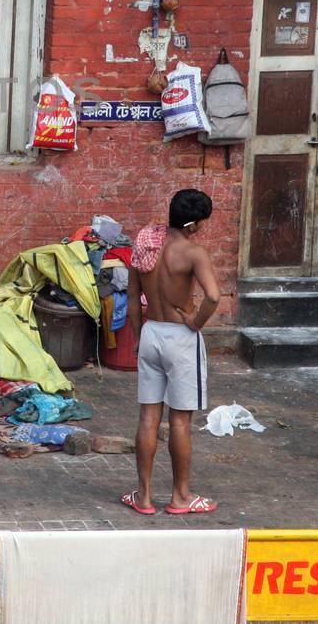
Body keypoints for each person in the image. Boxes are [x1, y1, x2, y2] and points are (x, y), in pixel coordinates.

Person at [123, 189, 222, 516]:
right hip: (181, 337)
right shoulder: (193, 253)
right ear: (193, 225)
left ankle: (144, 497)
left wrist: (139, 341)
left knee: (148, 417)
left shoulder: (146, 246)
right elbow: (213, 296)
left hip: (151, 332)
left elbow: (133, 302)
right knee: (180, 421)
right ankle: (180, 497)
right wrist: (196, 322)